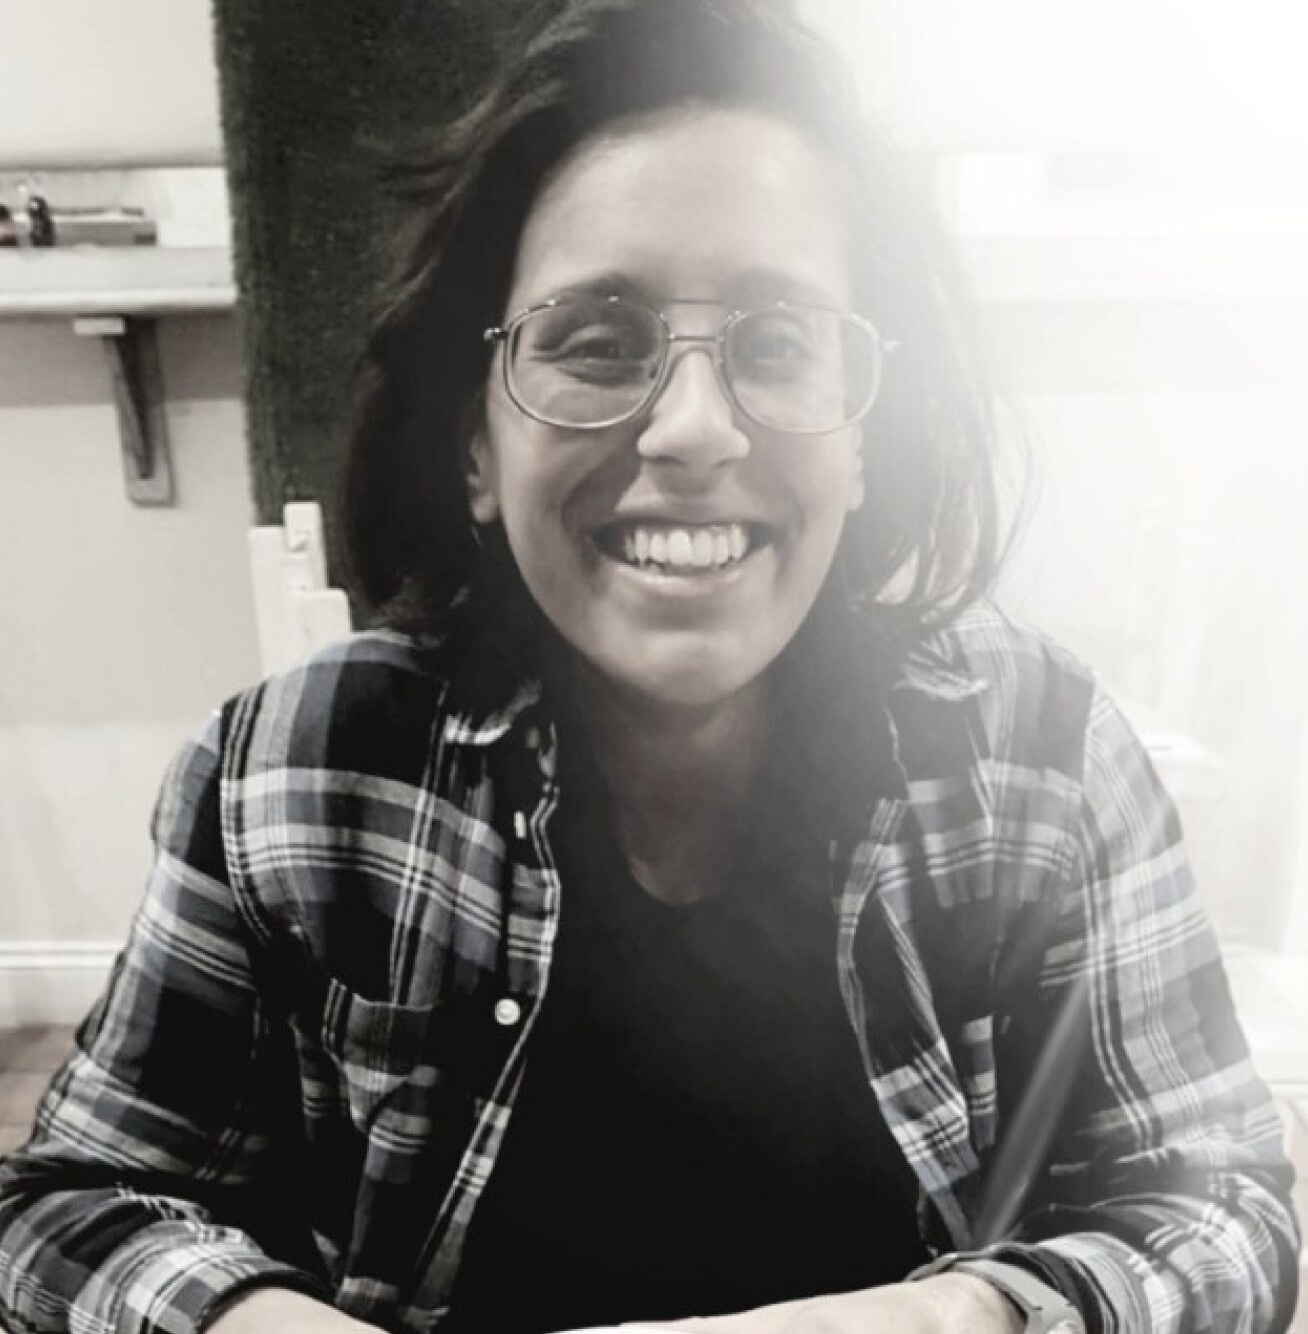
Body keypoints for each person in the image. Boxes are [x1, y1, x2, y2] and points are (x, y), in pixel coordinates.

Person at [0, 1, 1299, 1332]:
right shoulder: (292, 771)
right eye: (597, 342)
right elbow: (69, 1210)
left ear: (864, 441)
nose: (693, 430)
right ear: (474, 447)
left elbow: (1225, 1211)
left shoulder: (1042, 758)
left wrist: (952, 1319)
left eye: (779, 344)